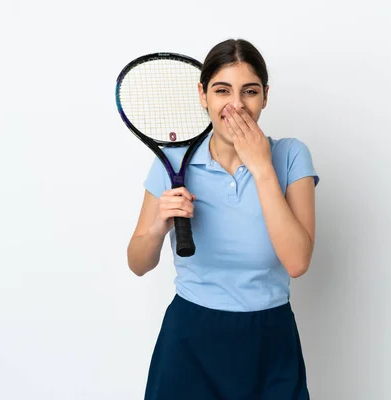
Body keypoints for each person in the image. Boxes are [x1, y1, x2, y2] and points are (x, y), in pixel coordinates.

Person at [127, 38, 319, 400]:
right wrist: (157, 228)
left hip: (269, 337)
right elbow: (137, 263)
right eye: (221, 90)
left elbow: (297, 262)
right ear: (203, 95)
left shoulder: (291, 155)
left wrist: (261, 166)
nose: (236, 105)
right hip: (190, 341)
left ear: (265, 96)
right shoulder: (173, 162)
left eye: (249, 91)